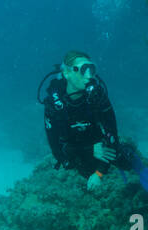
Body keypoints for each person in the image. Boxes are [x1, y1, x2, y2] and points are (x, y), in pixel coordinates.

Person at [39, 50, 135, 192]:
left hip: (100, 144)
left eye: (91, 69)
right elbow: (57, 150)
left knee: (127, 161)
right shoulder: (54, 105)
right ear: (67, 73)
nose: (89, 75)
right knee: (81, 169)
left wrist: (99, 173)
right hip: (76, 150)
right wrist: (89, 150)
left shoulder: (97, 96)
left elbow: (112, 134)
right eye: (83, 70)